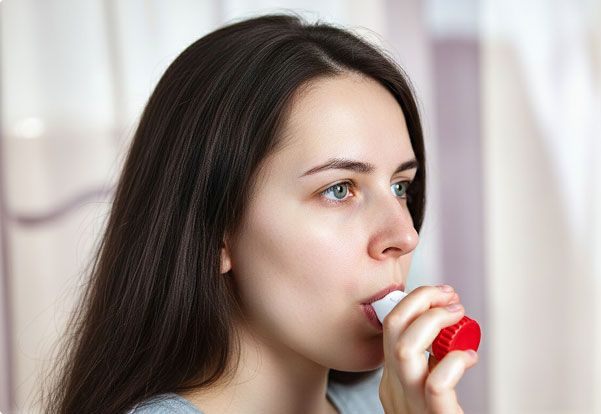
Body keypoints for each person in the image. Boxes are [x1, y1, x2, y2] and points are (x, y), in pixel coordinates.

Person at [43, 13, 478, 414]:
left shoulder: (390, 399)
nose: (405, 235)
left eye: (400, 187)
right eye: (339, 189)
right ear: (217, 234)